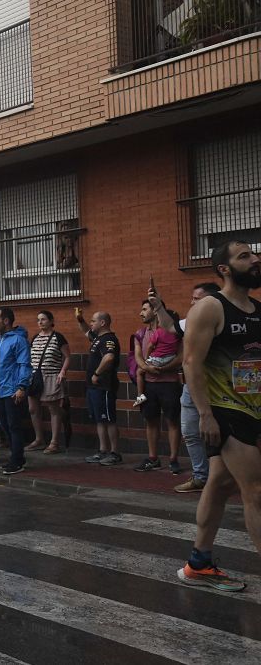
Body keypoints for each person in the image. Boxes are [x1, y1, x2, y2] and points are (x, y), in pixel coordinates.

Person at [177, 240, 261, 592]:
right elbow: (191, 363)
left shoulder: (257, 309)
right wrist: (205, 415)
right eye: (245, 256)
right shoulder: (210, 308)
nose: (256, 259)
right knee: (255, 490)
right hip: (225, 411)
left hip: (252, 408)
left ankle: (199, 563)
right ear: (224, 268)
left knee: (220, 483)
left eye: (255, 254)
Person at [151, 283, 223, 493]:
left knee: (222, 436)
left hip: (219, 388)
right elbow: (170, 327)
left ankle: (224, 478)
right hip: (191, 387)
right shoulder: (190, 321)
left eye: (198, 299)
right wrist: (158, 307)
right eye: (192, 299)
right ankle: (201, 476)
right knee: (190, 433)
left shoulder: (222, 320)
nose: (192, 303)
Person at [131, 300, 184, 474]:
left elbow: (181, 356)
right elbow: (138, 357)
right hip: (149, 385)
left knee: (173, 421)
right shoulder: (140, 333)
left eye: (145, 309)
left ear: (156, 311)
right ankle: (153, 458)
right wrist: (147, 368)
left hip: (170, 384)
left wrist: (163, 368)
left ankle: (174, 459)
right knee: (151, 421)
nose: (141, 313)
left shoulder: (176, 332)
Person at [76, 309, 122, 466]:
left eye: (93, 321)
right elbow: (86, 332)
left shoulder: (108, 339)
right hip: (94, 388)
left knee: (108, 419)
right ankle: (103, 451)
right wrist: (80, 320)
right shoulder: (97, 338)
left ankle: (115, 453)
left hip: (104, 386)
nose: (91, 323)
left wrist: (96, 373)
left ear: (103, 323)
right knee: (99, 420)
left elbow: (109, 357)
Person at [0, 308, 32, 475]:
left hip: (12, 390)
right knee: (6, 425)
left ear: (6, 321)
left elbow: (24, 364)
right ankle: (17, 457)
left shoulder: (18, 340)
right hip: (0, 391)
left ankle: (17, 460)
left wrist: (22, 387)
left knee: (14, 426)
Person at [27, 311, 70, 455]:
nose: (40, 322)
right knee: (33, 408)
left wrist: (62, 372)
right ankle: (39, 439)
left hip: (52, 376)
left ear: (51, 320)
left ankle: (54, 442)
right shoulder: (35, 338)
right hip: (34, 377)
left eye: (43, 319)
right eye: (38, 320)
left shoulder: (58, 337)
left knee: (53, 409)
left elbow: (67, 357)